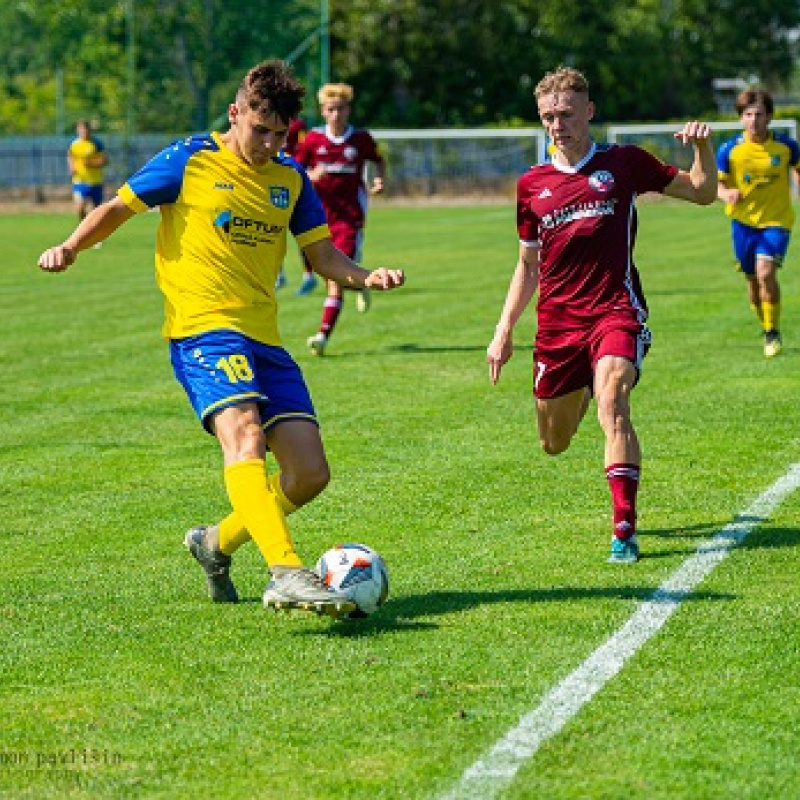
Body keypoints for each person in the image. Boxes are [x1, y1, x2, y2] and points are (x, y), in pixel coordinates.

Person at [37, 60, 405, 617]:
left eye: (281, 134)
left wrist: (365, 274)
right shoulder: (190, 159)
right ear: (235, 114)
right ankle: (285, 570)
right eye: (261, 130)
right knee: (246, 438)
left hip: (266, 340)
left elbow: (323, 257)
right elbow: (117, 207)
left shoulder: (291, 179)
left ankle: (215, 544)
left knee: (309, 474)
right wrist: (70, 245)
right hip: (203, 329)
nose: (270, 143)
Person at [486, 66, 717, 564]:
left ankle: (623, 529)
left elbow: (701, 192)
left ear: (589, 112)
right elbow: (528, 264)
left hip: (615, 310)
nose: (557, 123)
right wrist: (504, 330)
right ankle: (586, 384)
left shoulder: (625, 163)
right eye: (548, 115)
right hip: (557, 326)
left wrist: (702, 148)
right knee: (554, 441)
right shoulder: (532, 185)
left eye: (566, 113)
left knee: (614, 400)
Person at [294, 83, 386, 356]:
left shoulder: (360, 140)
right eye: (330, 109)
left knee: (334, 279)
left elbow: (379, 161)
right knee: (332, 276)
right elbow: (294, 170)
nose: (336, 114)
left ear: (349, 110)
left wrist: (379, 179)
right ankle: (360, 283)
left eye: (341, 109)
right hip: (317, 219)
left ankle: (322, 335)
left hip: (349, 218)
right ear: (323, 111)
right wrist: (310, 176)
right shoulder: (312, 141)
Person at [716, 87, 800, 358]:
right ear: (741, 118)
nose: (754, 120)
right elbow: (716, 184)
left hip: (777, 220)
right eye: (748, 114)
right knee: (753, 282)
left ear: (770, 117)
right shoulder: (729, 150)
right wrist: (725, 193)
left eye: (760, 114)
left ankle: (773, 331)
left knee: (766, 272)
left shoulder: (787, 146)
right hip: (743, 223)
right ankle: (765, 325)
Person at [274, 117, 319, 295]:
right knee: (273, 231)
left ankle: (308, 276)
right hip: (274, 181)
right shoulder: (266, 118)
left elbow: (306, 148)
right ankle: (278, 275)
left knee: (304, 234)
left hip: (294, 180)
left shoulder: (298, 125)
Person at [67, 119, 107, 222]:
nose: (83, 132)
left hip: (95, 181)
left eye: (85, 129)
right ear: (77, 130)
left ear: (89, 130)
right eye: (80, 129)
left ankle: (94, 232)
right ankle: (84, 228)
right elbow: (70, 155)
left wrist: (90, 164)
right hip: (80, 181)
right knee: (80, 208)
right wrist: (71, 166)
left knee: (97, 211)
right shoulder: (74, 144)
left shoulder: (96, 143)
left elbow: (103, 161)